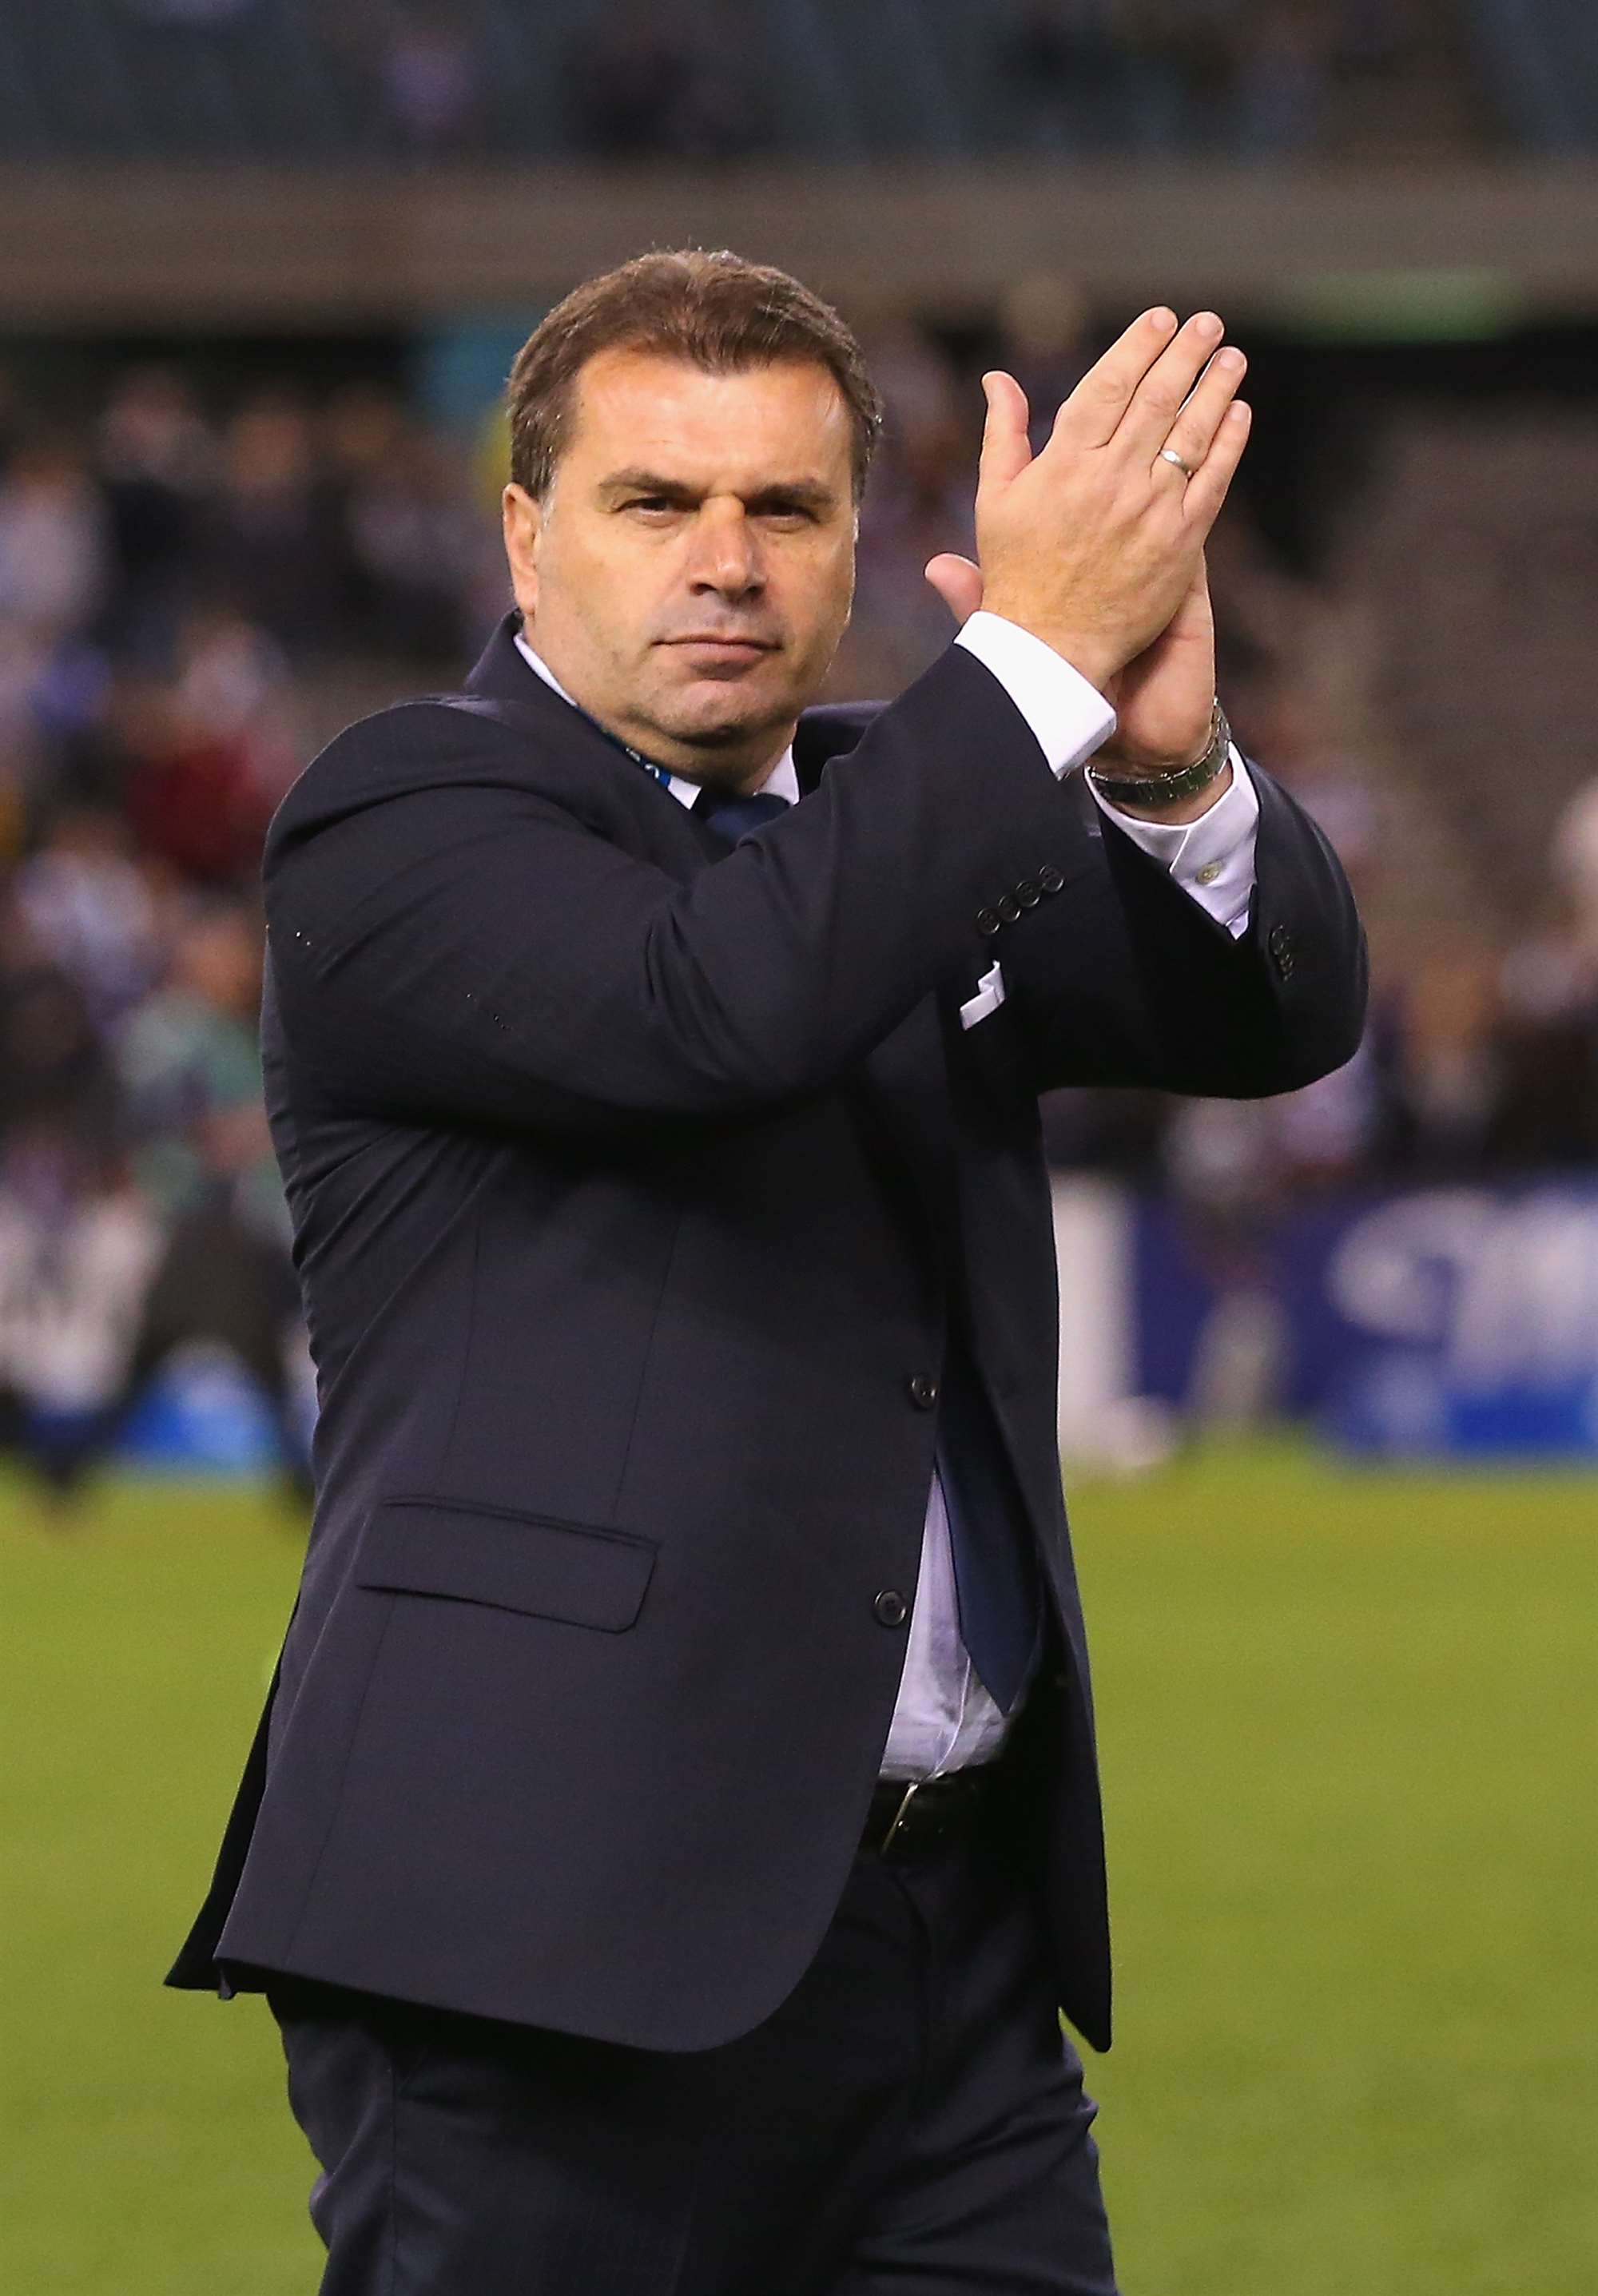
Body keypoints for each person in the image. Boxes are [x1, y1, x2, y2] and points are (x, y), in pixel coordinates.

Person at [169, 251, 1365, 2293]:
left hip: (946, 1960)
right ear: (525, 536)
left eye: (786, 509)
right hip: (540, 1932)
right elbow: (712, 1007)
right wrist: (1035, 671)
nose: (724, 561)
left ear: (856, 549)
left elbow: (1273, 1014)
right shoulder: (400, 813)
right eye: (655, 501)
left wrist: (1162, 760)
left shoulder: (922, 804)